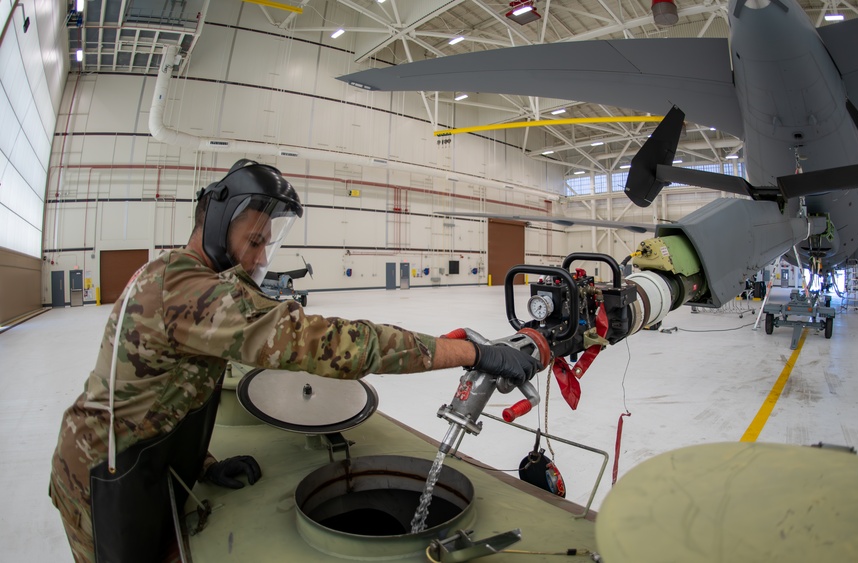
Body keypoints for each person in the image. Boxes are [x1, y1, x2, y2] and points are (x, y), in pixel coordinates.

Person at [49, 159, 541, 563]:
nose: (261, 257)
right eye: (255, 240)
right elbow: (327, 344)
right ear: (219, 223)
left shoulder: (182, 277)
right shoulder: (188, 292)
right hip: (105, 479)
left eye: (267, 242)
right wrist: (473, 353)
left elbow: (172, 390)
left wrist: (202, 463)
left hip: (146, 461)